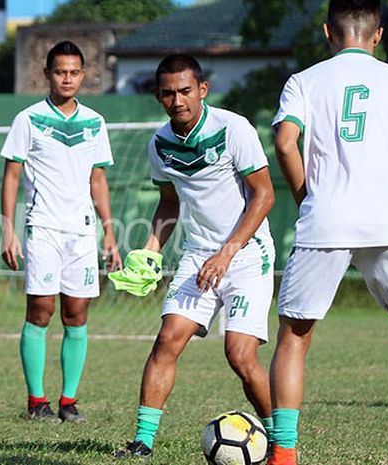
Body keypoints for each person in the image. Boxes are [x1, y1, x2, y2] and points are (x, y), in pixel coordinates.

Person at [267, 1, 388, 463]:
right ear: (377, 35)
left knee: (296, 336)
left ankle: (285, 455)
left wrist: (306, 197)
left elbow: (283, 141)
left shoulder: (304, 81)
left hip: (326, 219)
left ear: (326, 32)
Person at [115, 54, 276, 458]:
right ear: (157, 96)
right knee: (167, 340)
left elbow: (264, 195)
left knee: (239, 355)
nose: (177, 100)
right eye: (168, 93)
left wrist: (228, 252)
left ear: (202, 89)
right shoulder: (159, 144)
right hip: (197, 255)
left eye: (185, 90)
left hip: (246, 254)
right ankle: (142, 442)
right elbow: (168, 203)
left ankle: (281, 439)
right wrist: (151, 251)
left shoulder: (233, 128)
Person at [0, 41, 122, 423]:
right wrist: (9, 229)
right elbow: (12, 175)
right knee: (41, 310)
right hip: (44, 227)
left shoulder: (95, 122)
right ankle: (37, 402)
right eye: (59, 71)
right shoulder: (28, 119)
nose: (66, 78)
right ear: (47, 75)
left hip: (82, 232)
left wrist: (109, 232)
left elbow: (98, 179)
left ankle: (68, 402)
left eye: (73, 72)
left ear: (82, 76)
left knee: (77, 313)